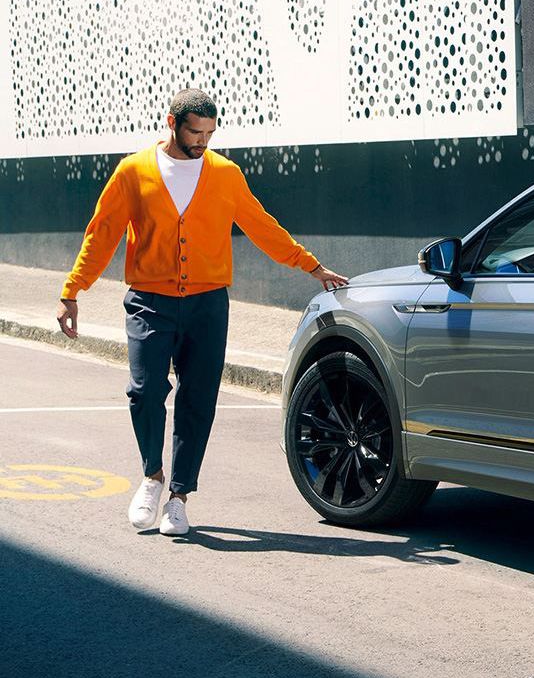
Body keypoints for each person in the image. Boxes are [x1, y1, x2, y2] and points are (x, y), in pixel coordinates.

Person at [55, 89, 349, 536]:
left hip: (208, 304)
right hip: (149, 300)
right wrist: (73, 290)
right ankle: (151, 477)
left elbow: (261, 225)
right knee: (144, 389)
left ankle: (179, 496)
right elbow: (102, 233)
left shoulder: (225, 174)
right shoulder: (134, 171)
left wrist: (310, 265)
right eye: (196, 132)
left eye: (211, 132)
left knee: (198, 399)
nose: (203, 141)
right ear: (172, 124)